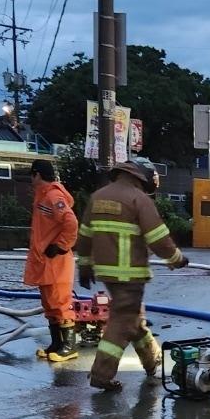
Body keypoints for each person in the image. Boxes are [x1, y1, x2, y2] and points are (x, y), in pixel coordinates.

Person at [75, 158, 190, 391]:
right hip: (130, 274)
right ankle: (102, 374)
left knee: (133, 319)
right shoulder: (139, 199)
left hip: (107, 274)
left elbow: (85, 236)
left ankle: (152, 360)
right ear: (143, 177)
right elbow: (157, 237)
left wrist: (84, 265)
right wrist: (177, 259)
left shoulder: (98, 197)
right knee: (122, 322)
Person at [24, 159, 80, 362]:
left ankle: (69, 345)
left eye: (32, 175)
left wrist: (60, 246)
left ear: (37, 175)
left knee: (60, 302)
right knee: (50, 304)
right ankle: (57, 343)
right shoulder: (44, 197)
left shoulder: (53, 197)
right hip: (47, 261)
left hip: (56, 261)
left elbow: (71, 222)